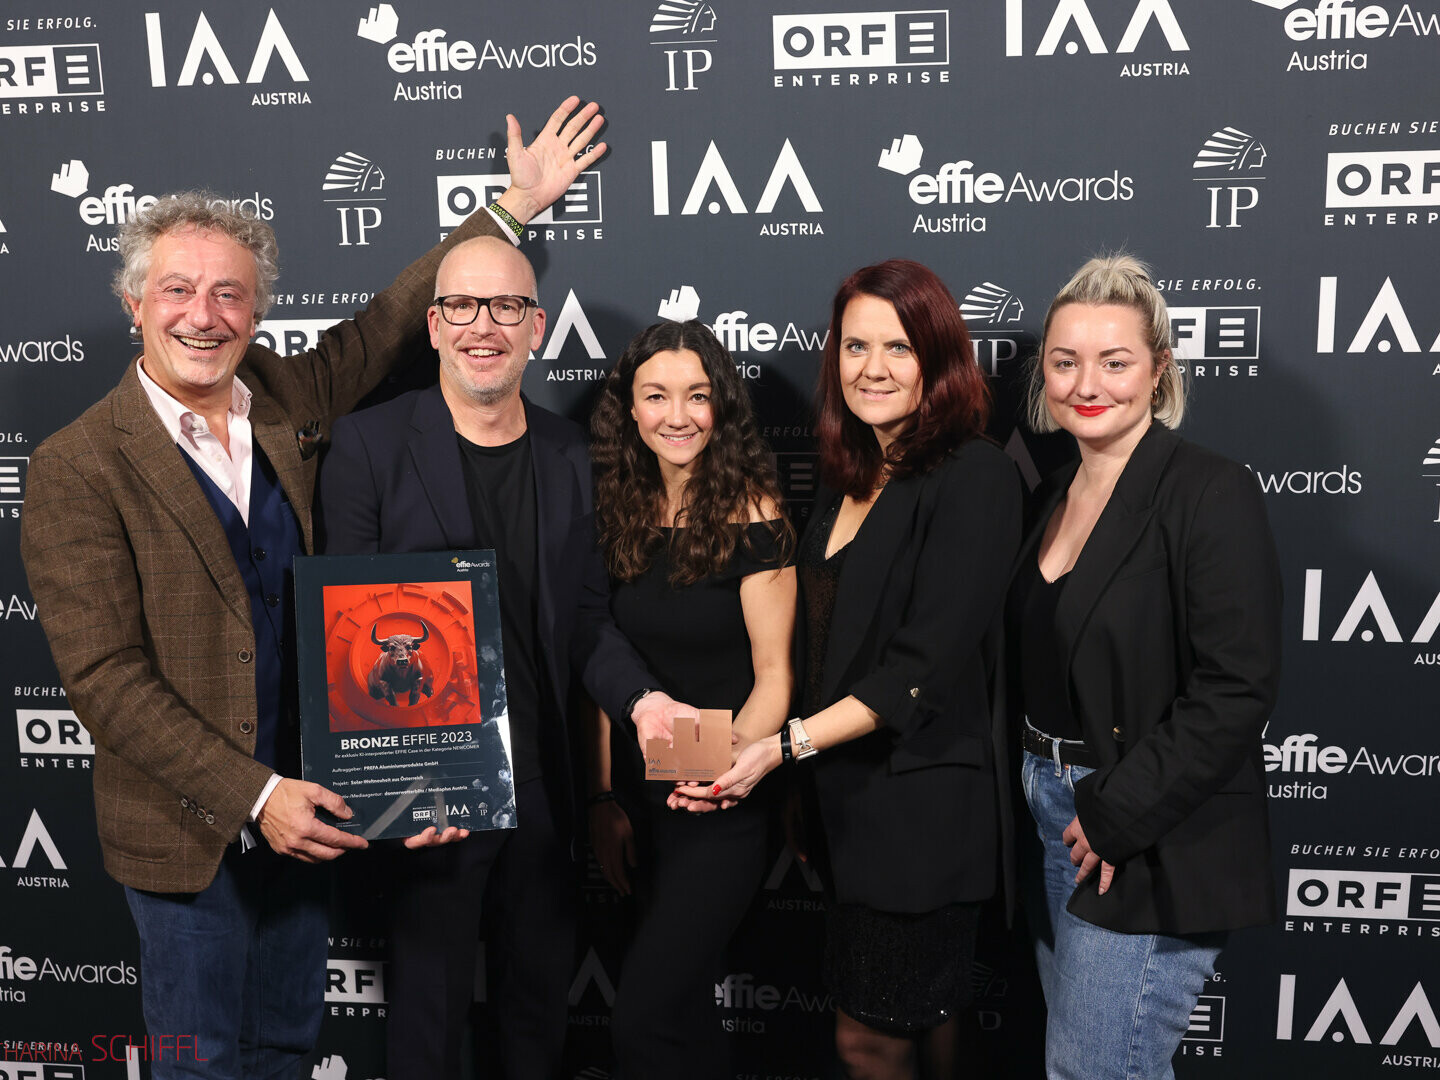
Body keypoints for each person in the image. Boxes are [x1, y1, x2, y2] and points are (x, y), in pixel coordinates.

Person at [19, 96, 606, 1080]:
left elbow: (391, 320)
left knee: (287, 1051)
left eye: (230, 295)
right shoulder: (77, 464)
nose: (203, 315)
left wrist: (512, 207)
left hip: (316, 810)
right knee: (202, 1065)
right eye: (176, 290)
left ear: (256, 310)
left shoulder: (287, 395)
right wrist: (258, 797)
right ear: (135, 304)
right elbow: (106, 681)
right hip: (192, 830)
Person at [316, 244, 695, 1079]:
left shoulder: (573, 457)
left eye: (505, 309)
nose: (482, 327)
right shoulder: (369, 446)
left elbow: (590, 621)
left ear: (538, 327)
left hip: (545, 801)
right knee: (426, 1031)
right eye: (462, 307)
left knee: (536, 1031)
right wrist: (393, 795)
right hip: (425, 802)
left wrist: (641, 703)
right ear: (433, 324)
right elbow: (347, 635)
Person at [696, 260, 1022, 1079]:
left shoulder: (974, 474)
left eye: (899, 348)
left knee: (871, 1040)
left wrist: (782, 750)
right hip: (843, 811)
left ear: (940, 360)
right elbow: (816, 650)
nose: (872, 368)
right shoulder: (850, 479)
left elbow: (922, 667)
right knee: (927, 1032)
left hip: (920, 816)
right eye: (855, 346)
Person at [1007, 254, 1280, 1079]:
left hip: (1144, 832)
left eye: (1115, 361)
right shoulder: (1049, 492)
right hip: (1049, 811)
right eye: (1065, 361)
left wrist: (1117, 813)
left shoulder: (1209, 491)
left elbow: (1236, 688)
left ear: (1159, 369)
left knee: (1097, 1071)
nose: (1088, 382)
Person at [584, 320, 796, 1078]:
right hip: (639, 805)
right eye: (657, 396)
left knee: (642, 1018)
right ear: (630, 411)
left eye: (697, 396)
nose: (678, 415)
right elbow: (602, 660)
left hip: (721, 805)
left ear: (721, 406)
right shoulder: (612, 508)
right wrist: (606, 798)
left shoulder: (752, 509)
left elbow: (775, 678)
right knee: (686, 1019)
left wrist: (724, 774)